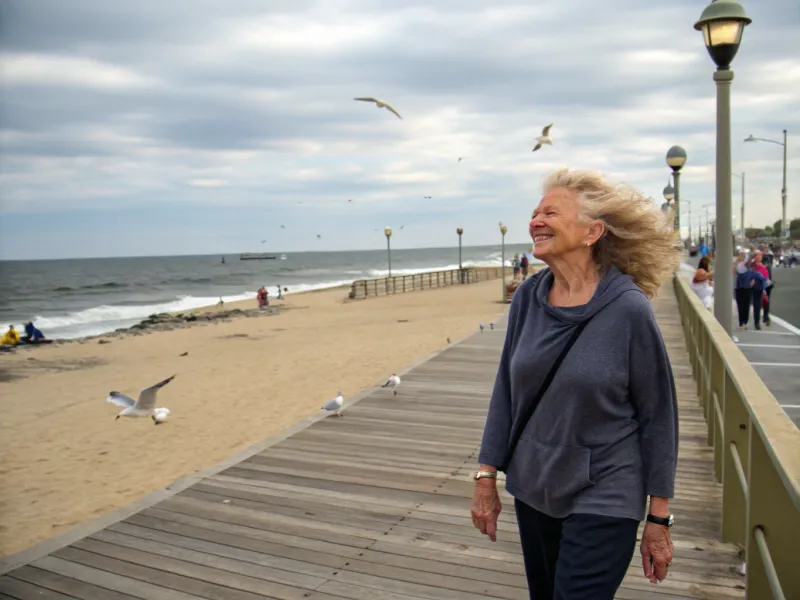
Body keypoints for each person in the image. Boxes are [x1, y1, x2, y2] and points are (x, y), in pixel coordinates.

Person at [471, 167, 681, 600]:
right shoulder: (528, 298)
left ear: (592, 232)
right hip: (535, 487)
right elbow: (506, 394)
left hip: (606, 490)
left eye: (551, 212)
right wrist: (485, 477)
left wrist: (658, 519)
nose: (536, 220)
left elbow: (659, 418)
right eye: (534, 212)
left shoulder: (628, 310)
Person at [749, 252, 770, 330]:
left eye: (760, 256)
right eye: (757, 256)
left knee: (766, 302)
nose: (759, 257)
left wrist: (765, 287)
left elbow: (766, 278)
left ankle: (766, 317)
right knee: (756, 306)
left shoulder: (763, 267)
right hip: (754, 288)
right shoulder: (752, 266)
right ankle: (757, 323)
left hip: (761, 288)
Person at [734, 250, 753, 329]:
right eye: (740, 254)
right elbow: (733, 271)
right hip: (738, 287)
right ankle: (741, 322)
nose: (742, 256)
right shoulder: (736, 263)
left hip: (747, 287)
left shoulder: (747, 264)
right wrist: (737, 261)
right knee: (740, 305)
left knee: (746, 305)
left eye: (743, 254)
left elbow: (751, 258)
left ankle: (745, 322)